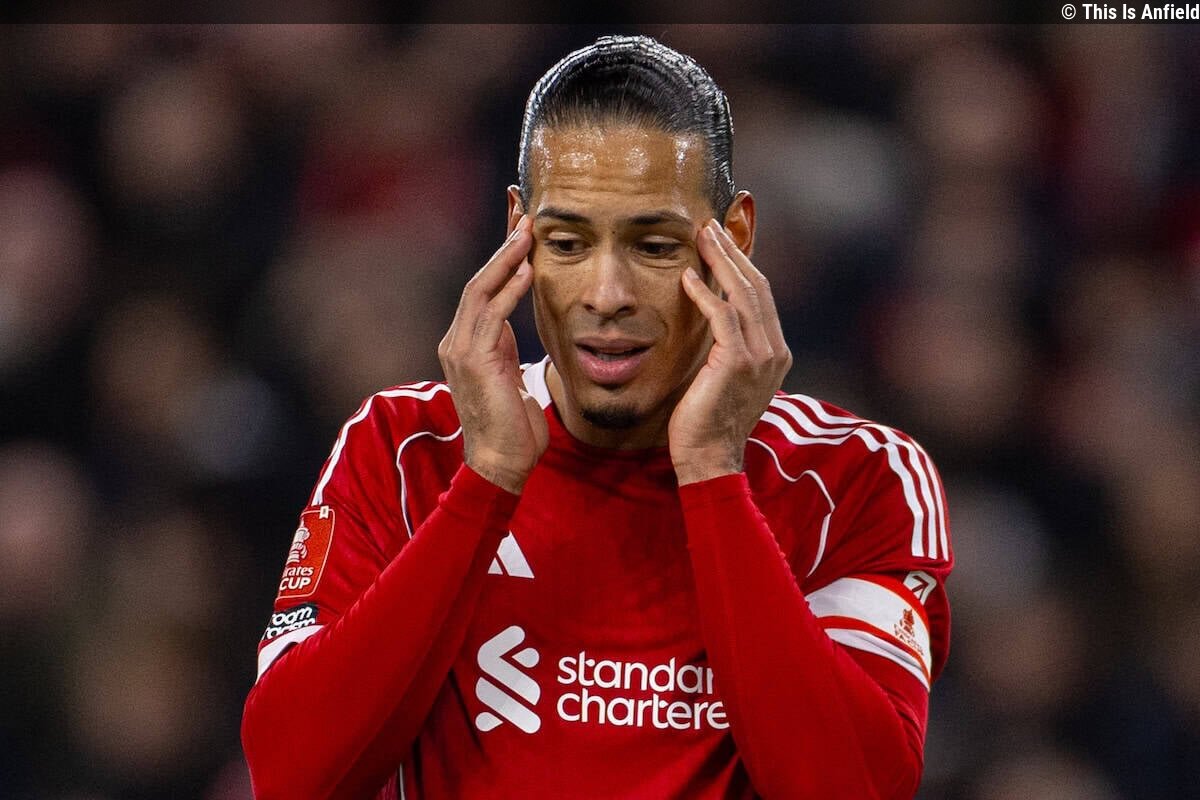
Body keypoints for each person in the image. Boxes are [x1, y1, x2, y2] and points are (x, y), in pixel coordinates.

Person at [241, 34, 952, 800]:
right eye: (568, 242)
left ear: (735, 239)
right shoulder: (406, 450)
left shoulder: (855, 478)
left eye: (654, 245)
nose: (606, 293)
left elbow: (854, 789)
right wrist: (486, 483)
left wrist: (712, 473)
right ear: (518, 234)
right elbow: (294, 777)